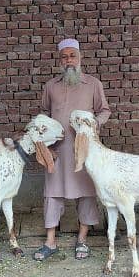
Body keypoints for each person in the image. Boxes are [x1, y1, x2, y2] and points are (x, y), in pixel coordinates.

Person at [33, 38, 111, 261]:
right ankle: (50, 241)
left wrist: (93, 123)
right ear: (60, 60)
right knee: (52, 193)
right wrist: (42, 134)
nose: (69, 60)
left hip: (83, 150)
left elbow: (104, 111)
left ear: (80, 58)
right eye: (64, 57)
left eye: (72, 56)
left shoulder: (93, 84)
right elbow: (44, 113)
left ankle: (82, 240)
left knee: (86, 193)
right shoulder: (51, 86)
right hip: (56, 149)